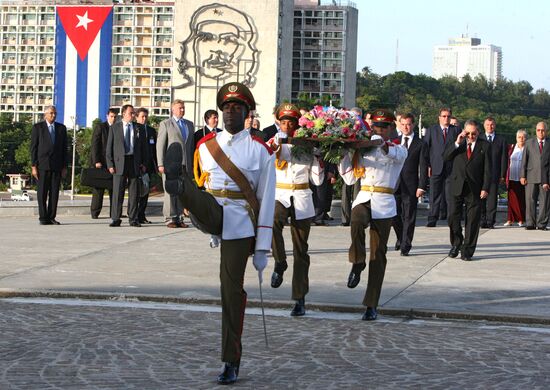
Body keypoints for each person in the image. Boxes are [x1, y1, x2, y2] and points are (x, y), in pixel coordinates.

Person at [166, 82, 275, 385]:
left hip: (240, 222)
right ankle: (176, 184)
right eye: (226, 107)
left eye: (236, 108)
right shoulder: (205, 146)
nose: (230, 112)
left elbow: (266, 201)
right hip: (211, 208)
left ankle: (231, 360)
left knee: (230, 290)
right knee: (192, 189)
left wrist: (263, 248)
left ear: (247, 112)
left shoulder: (260, 150)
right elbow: (206, 183)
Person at [338, 109, 406, 321]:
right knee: (356, 218)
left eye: (384, 127)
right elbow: (349, 179)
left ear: (391, 129)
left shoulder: (399, 149)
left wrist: (379, 143)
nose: (379, 130)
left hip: (384, 204)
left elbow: (391, 153)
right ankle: (357, 262)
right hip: (365, 197)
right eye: (376, 126)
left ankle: (371, 304)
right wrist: (343, 153)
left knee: (378, 255)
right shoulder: (363, 150)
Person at [268, 103, 324, 316]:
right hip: (280, 194)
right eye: (284, 122)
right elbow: (265, 159)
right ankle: (280, 262)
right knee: (272, 222)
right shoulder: (274, 142)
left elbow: (317, 181)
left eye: (291, 122)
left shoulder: (306, 145)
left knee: (301, 250)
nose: (287, 125)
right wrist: (274, 147)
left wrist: (318, 157)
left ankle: (299, 298)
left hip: (301, 196)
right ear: (278, 123)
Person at [444, 120, 491, 261]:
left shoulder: (485, 146)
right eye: (468, 133)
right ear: (464, 132)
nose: (471, 136)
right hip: (456, 186)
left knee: (472, 221)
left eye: (474, 133)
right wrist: (458, 143)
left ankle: (467, 251)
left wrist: (485, 187)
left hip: (475, 188)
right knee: (452, 216)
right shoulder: (458, 143)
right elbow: (445, 157)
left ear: (478, 133)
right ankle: (457, 243)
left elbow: (489, 169)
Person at [106, 104, 148, 227]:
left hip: (134, 162)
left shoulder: (138, 128)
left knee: (134, 192)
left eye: (134, 113)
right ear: (123, 114)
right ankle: (115, 218)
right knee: (118, 192)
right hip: (119, 163)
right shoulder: (115, 128)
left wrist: (144, 163)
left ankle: (133, 218)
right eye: (131, 113)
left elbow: (144, 148)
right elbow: (109, 149)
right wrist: (110, 164)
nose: (133, 115)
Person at [392, 113, 428, 256]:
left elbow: (423, 166)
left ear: (413, 125)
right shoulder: (394, 141)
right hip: (394, 184)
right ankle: (401, 237)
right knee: (394, 215)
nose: (406, 127)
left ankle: (406, 244)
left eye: (408, 124)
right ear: (399, 125)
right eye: (403, 124)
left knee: (409, 215)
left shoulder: (421, 143)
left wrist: (422, 186)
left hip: (411, 185)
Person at [157, 99, 195, 228]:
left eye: (183, 108)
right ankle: (169, 218)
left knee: (182, 191)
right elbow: (160, 145)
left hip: (185, 164)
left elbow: (190, 146)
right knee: (170, 191)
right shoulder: (166, 124)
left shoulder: (189, 125)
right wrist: (160, 163)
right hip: (170, 164)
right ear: (173, 109)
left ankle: (179, 217)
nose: (182, 110)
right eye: (179, 108)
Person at [30, 105, 68, 225]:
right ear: (45, 114)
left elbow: (64, 149)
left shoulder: (61, 128)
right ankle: (43, 217)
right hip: (42, 166)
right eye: (51, 113)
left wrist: (64, 166)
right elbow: (33, 148)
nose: (53, 115)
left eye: (55, 113)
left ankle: (52, 216)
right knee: (42, 193)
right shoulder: (38, 128)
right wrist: (33, 166)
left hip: (57, 166)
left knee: (54, 192)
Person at [423, 107, 459, 227]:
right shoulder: (432, 130)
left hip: (451, 168)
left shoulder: (456, 130)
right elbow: (426, 149)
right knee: (434, 195)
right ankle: (432, 218)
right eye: (444, 116)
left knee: (450, 196)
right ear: (439, 117)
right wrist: (428, 165)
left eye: (448, 116)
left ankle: (451, 219)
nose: (446, 118)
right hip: (435, 167)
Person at [479, 117, 508, 229]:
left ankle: (490, 221)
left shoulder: (501, 140)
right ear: (484, 126)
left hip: (495, 174)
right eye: (487, 125)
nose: (490, 127)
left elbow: (504, 159)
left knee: (492, 200)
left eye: (492, 125)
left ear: (495, 125)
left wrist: (502, 175)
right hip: (481, 174)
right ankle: (482, 220)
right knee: (481, 198)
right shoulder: (480, 138)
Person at [522, 121, 550, 230]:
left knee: (545, 202)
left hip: (546, 178)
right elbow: (524, 160)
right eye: (538, 130)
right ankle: (530, 223)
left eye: (543, 130)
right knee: (530, 200)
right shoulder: (529, 143)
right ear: (536, 131)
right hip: (531, 176)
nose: (541, 132)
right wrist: (522, 176)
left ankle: (542, 223)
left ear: (546, 131)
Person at [90, 108, 117, 219]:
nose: (113, 118)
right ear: (107, 116)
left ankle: (114, 213)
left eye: (115, 117)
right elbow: (95, 145)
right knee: (98, 190)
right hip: (101, 163)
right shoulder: (101, 127)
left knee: (114, 190)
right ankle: (95, 212)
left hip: (114, 163)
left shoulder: (118, 128)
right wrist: (96, 161)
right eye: (111, 116)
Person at [341, 107, 363, 226]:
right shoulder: (344, 127)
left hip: (358, 162)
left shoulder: (364, 129)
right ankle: (345, 218)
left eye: (358, 116)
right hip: (347, 160)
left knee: (357, 191)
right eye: (354, 115)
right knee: (346, 190)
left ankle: (356, 216)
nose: (356, 118)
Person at [135, 107, 157, 224]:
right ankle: (134, 214)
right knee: (136, 192)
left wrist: (157, 164)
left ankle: (142, 215)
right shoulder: (134, 129)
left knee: (145, 191)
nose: (144, 119)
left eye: (146, 116)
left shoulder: (151, 131)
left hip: (148, 166)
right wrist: (140, 163)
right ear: (136, 117)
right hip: (137, 166)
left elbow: (154, 149)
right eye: (142, 116)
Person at [504, 129, 527, 226]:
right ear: (516, 138)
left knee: (521, 200)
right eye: (519, 137)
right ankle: (510, 219)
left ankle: (521, 219)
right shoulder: (511, 148)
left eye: (523, 137)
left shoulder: (527, 148)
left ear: (526, 138)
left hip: (523, 178)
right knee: (511, 200)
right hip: (511, 177)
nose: (521, 139)